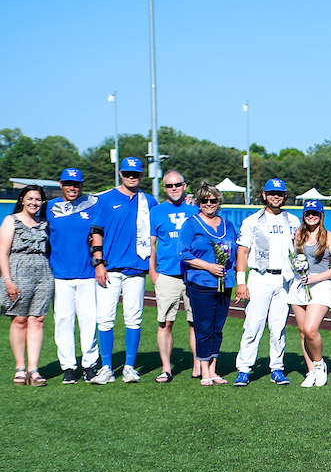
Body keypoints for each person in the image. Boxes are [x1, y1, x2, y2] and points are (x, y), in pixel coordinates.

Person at [90, 156, 159, 384]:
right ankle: (107, 367)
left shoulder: (148, 201)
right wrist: (98, 262)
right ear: (120, 174)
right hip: (109, 268)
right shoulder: (106, 198)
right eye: (128, 173)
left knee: (134, 318)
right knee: (105, 319)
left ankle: (129, 366)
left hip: (136, 268)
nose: (132, 177)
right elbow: (96, 231)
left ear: (141, 175)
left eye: (136, 173)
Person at [233, 178, 300, 386]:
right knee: (253, 325)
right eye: (272, 193)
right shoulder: (252, 221)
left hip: (284, 278)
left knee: (279, 327)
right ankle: (244, 368)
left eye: (279, 193)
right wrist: (241, 282)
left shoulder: (293, 221)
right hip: (259, 276)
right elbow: (242, 251)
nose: (276, 196)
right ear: (264, 195)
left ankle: (277, 368)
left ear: (285, 196)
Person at [178, 181, 237, 386]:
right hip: (201, 282)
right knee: (203, 326)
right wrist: (208, 266)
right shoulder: (191, 223)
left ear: (218, 201)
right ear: (198, 202)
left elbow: (236, 253)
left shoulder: (228, 225)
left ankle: (213, 368)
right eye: (204, 201)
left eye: (213, 200)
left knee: (218, 327)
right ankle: (204, 370)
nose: (209, 204)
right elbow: (184, 253)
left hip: (225, 282)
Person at [45, 167, 100, 384]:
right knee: (63, 322)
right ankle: (68, 367)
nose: (72, 187)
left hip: (87, 274)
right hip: (59, 275)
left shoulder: (92, 204)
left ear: (81, 185)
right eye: (68, 183)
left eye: (76, 184)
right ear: (61, 185)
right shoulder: (49, 207)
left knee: (88, 321)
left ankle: (89, 365)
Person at [148, 170, 200, 382]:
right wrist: (153, 273)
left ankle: (198, 365)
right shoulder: (156, 211)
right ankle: (167, 368)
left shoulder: (195, 208)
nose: (174, 189)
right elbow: (151, 243)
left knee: (195, 321)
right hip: (167, 273)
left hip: (193, 273)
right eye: (169, 186)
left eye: (177, 184)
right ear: (164, 188)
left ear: (185, 185)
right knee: (165, 322)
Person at [0, 186, 51, 385]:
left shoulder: (44, 223)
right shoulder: (10, 221)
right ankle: (20, 367)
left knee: (37, 319)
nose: (34, 203)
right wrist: (7, 280)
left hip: (43, 273)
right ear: (22, 199)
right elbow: (3, 252)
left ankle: (34, 369)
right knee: (19, 319)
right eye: (30, 198)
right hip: (18, 271)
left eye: (38, 199)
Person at [289, 200, 331, 387]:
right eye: (308, 213)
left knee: (311, 329)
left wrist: (315, 278)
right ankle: (310, 370)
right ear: (303, 215)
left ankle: (319, 364)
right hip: (298, 286)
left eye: (315, 213)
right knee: (303, 332)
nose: (311, 216)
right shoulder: (298, 235)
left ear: (321, 215)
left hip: (320, 286)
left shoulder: (329, 237)